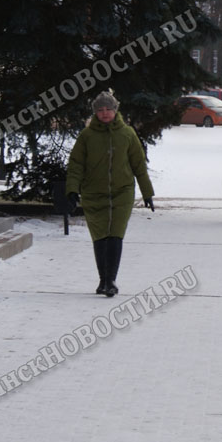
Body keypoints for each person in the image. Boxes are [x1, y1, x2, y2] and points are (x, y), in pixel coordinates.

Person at [66, 91, 154, 297]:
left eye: (108, 109)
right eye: (100, 110)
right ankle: (103, 280)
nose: (105, 113)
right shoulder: (86, 136)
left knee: (115, 233)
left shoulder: (127, 134)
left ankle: (111, 280)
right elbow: (76, 165)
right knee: (100, 236)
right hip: (93, 193)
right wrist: (72, 189)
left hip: (122, 193)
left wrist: (147, 192)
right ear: (95, 113)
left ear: (116, 110)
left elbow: (138, 165)